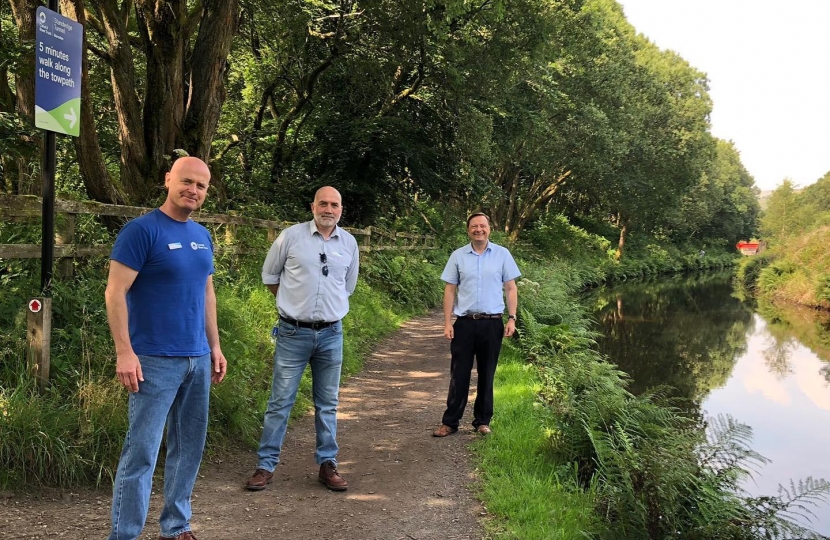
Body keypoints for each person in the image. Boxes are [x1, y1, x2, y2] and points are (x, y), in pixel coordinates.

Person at [105, 156, 227, 540]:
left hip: (197, 360)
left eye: (201, 186)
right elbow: (115, 292)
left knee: (188, 449)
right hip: (154, 361)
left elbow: (206, 292)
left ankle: (176, 526)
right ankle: (124, 534)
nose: (193, 190)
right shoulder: (141, 231)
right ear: (168, 180)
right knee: (141, 452)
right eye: (186, 181)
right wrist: (125, 352)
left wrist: (215, 346)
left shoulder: (203, 236)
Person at [245, 186, 359, 492]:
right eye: (323, 203)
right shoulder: (291, 237)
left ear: (341, 209)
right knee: (280, 402)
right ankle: (265, 465)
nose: (328, 209)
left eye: (334, 204)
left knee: (328, 403)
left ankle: (328, 464)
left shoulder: (349, 243)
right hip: (292, 333)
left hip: (332, 334)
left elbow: (347, 287)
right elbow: (270, 276)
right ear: (313, 206)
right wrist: (292, 305)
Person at [432, 212, 520, 438]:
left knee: (487, 373)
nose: (478, 229)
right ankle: (450, 422)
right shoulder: (458, 256)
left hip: (493, 324)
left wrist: (512, 318)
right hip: (464, 324)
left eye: (482, 225)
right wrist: (447, 322)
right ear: (468, 229)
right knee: (458, 374)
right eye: (474, 226)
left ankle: (482, 421)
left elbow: (511, 288)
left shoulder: (502, 254)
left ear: (490, 228)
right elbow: (450, 290)